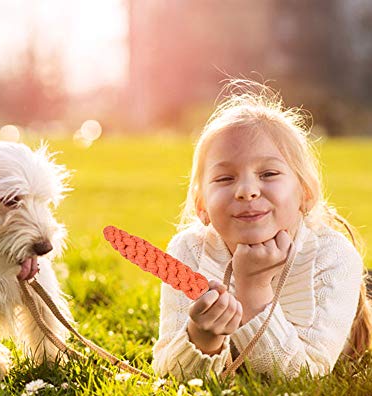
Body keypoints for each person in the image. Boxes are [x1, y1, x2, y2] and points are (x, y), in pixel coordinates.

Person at [153, 80, 371, 380]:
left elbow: (303, 379)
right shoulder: (188, 251)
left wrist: (253, 291)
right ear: (201, 204)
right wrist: (202, 338)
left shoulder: (333, 257)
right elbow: (171, 375)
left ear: (305, 193)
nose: (246, 190)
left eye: (268, 173)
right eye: (224, 178)